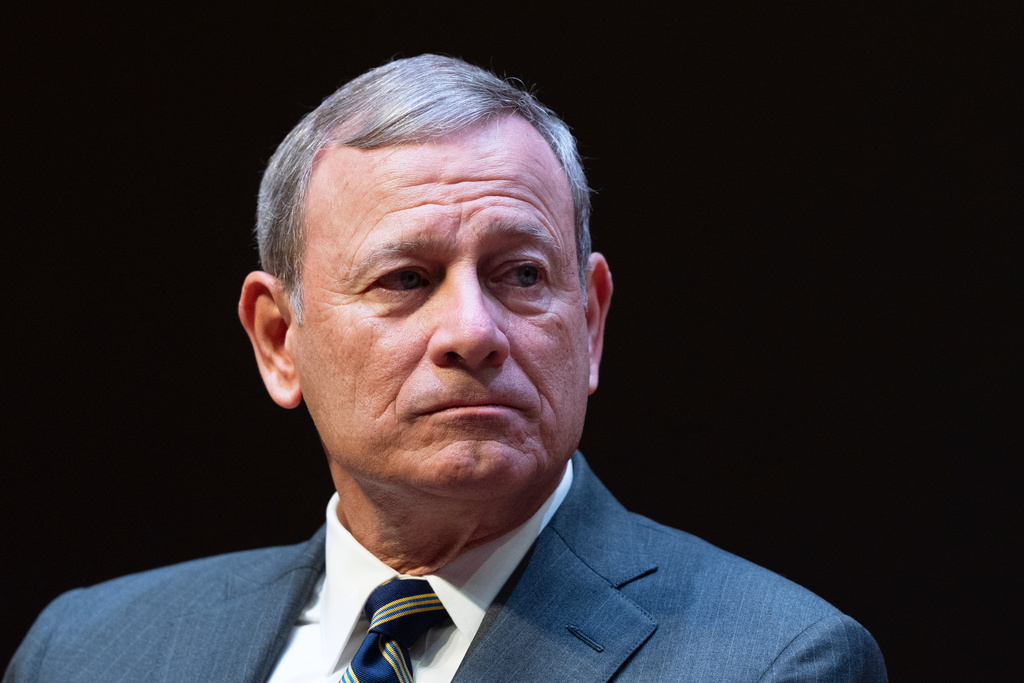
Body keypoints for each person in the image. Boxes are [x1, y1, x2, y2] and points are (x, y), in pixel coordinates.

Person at [5, 54, 887, 682]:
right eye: (405, 279)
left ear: (590, 318)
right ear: (279, 340)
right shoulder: (88, 650)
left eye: (522, 276)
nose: (473, 330)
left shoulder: (772, 662)